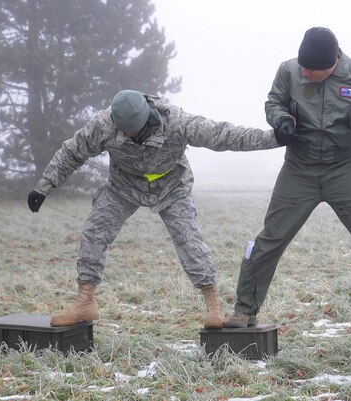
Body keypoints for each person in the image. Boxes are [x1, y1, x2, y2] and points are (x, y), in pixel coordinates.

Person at [223, 27, 351, 330]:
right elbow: (274, 102)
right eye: (302, 66)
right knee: (269, 240)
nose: (305, 72)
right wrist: (281, 120)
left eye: (312, 70)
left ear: (333, 63)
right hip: (298, 167)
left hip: (344, 167)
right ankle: (244, 310)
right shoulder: (289, 71)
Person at [28, 90, 280, 328]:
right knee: (94, 232)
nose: (126, 136)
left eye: (132, 132)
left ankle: (213, 305)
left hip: (171, 186)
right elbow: (72, 152)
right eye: (123, 131)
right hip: (123, 186)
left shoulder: (177, 122)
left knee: (188, 239)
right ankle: (85, 301)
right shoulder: (103, 125)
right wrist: (44, 187)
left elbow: (224, 135)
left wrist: (275, 138)